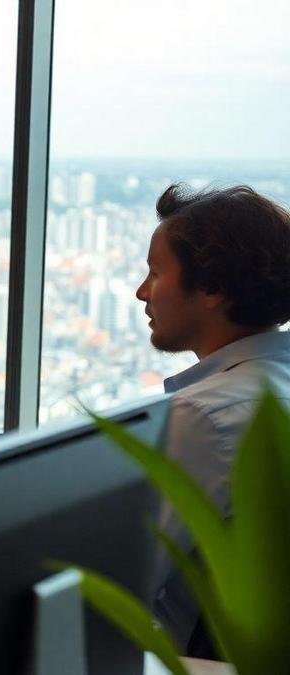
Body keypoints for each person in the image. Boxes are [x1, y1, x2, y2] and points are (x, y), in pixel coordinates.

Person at [134, 183, 290, 650]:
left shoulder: (206, 416)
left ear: (211, 288)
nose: (143, 292)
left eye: (155, 273)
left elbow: (131, 576)